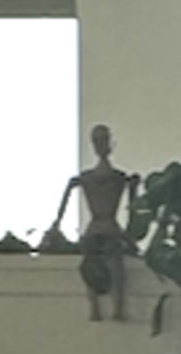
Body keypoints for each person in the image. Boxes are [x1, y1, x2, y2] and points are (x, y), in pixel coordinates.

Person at [47, 126, 137, 320]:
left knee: (115, 264)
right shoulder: (89, 178)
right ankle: (97, 308)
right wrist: (56, 225)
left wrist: (131, 230)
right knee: (93, 263)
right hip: (98, 227)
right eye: (97, 140)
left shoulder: (118, 178)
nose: (101, 145)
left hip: (108, 227)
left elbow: (133, 205)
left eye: (103, 140)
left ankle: (116, 309)